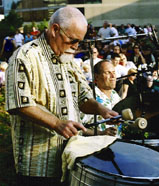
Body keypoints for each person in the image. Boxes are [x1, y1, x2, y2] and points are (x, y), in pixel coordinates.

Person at [5, 7, 118, 186]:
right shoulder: (25, 56)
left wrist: (101, 109)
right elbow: (19, 103)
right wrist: (57, 124)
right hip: (37, 165)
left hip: (71, 157)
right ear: (55, 30)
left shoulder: (69, 60)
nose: (75, 46)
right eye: (72, 40)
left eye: (79, 42)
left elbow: (83, 98)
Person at [82, 60, 121, 137]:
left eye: (114, 72)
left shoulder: (115, 95)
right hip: (96, 146)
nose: (113, 76)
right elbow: (77, 128)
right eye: (108, 73)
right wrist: (100, 133)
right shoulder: (89, 97)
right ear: (96, 77)